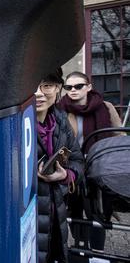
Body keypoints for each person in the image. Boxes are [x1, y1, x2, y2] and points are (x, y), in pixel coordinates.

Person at [57, 71, 122, 251]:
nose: (73, 90)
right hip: (72, 166)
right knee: (73, 209)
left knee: (98, 211)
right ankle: (80, 248)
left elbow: (118, 136)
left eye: (78, 86)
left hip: (99, 166)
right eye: (69, 87)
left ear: (89, 87)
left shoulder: (105, 107)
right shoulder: (60, 109)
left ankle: (98, 252)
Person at [35, 68, 84, 263]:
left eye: (46, 85)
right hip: (30, 220)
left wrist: (67, 176)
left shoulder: (61, 121)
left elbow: (78, 160)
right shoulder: (13, 124)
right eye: (32, 86)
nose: (39, 93)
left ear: (58, 89)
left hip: (56, 215)